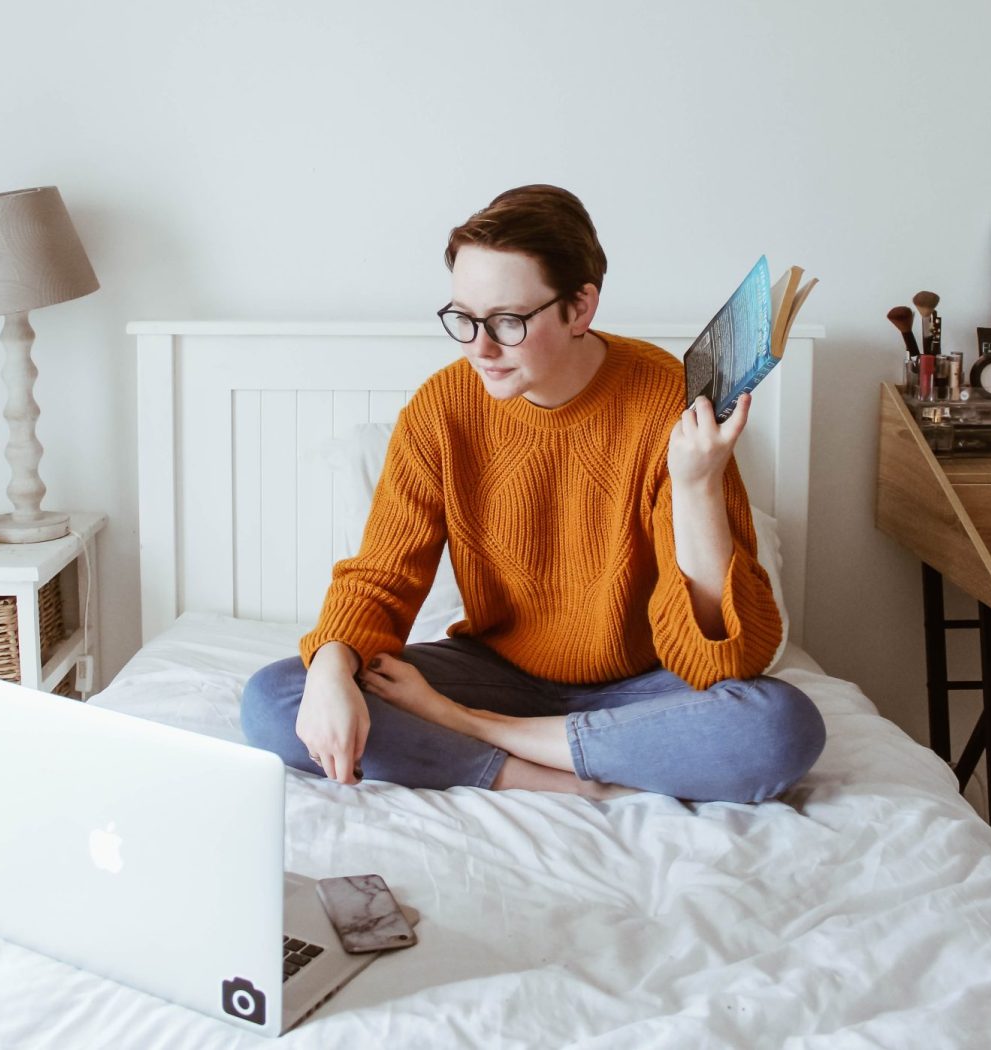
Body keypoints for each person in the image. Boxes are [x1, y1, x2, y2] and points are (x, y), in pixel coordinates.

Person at [241, 185, 825, 802]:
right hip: (497, 670)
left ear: (580, 308)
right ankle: (556, 775)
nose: (479, 348)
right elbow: (383, 576)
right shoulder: (442, 409)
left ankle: (483, 735)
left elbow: (722, 663)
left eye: (508, 321)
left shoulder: (666, 403)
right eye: (463, 318)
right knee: (276, 698)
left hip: (644, 685)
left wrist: (697, 483)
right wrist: (333, 664)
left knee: (779, 725)